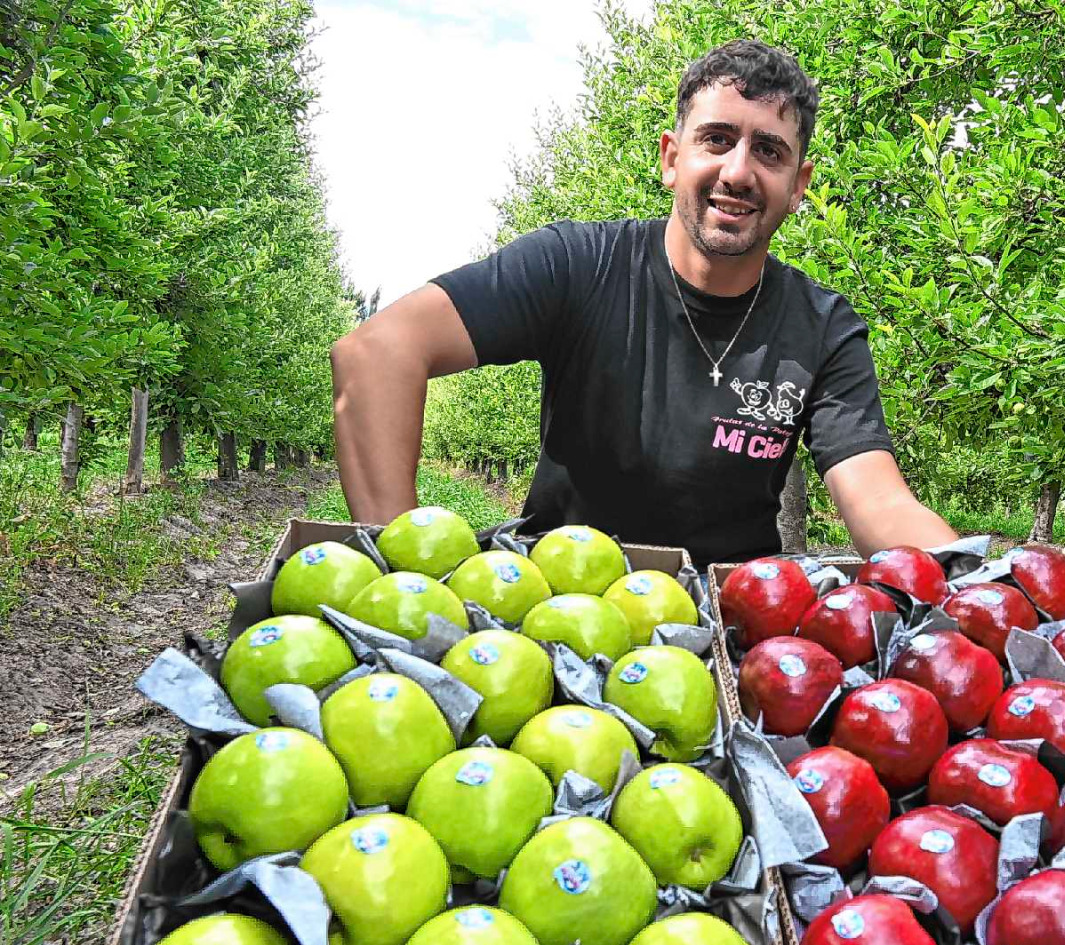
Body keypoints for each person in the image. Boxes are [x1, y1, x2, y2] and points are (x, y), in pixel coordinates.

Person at [330, 39, 958, 568]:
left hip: (731, 627)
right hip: (563, 606)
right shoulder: (576, 265)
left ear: (799, 186)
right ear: (671, 157)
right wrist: (398, 574)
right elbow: (377, 353)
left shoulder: (823, 327)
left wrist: (986, 582)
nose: (738, 172)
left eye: (769, 151)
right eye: (717, 139)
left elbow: (877, 501)